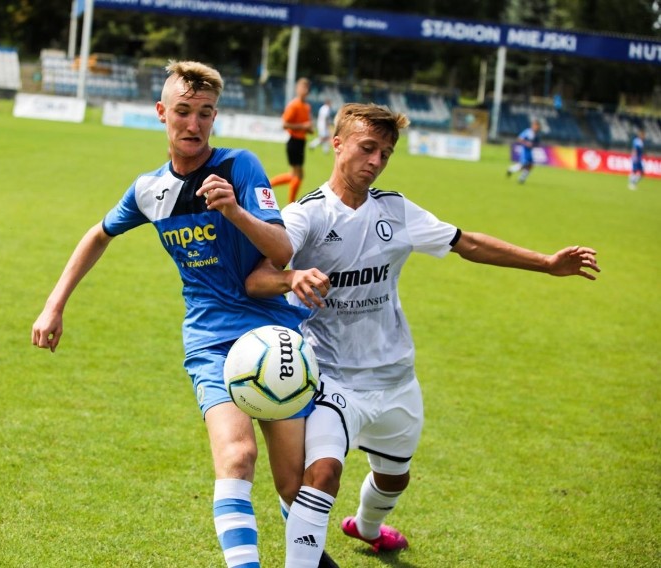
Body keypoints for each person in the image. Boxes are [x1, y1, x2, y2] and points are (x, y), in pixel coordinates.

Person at [245, 103, 601, 566]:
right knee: (323, 474)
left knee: (394, 478)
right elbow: (257, 279)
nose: (375, 161)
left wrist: (547, 264)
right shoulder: (306, 215)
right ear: (337, 144)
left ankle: (367, 527)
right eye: (367, 148)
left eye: (385, 153)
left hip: (396, 381)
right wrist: (292, 278)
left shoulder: (395, 209)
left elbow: (466, 243)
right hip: (333, 379)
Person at [31, 60, 338, 568]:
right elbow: (98, 235)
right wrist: (54, 305)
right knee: (237, 457)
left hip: (274, 337)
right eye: (183, 112)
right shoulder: (149, 190)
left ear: (215, 117)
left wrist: (235, 210)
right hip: (212, 342)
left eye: (205, 113)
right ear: (161, 113)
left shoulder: (239, 167)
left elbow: (282, 251)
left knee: (292, 486)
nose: (193, 124)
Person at [269, 77, 313, 204]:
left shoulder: (306, 106)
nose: (305, 90)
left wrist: (308, 129)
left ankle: (270, 184)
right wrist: (302, 126)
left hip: (301, 142)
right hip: (294, 141)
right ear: (297, 89)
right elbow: (285, 124)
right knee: (297, 175)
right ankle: (290, 202)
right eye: (302, 87)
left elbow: (306, 125)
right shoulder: (294, 105)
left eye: (307, 88)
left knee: (296, 175)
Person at [506, 118, 540, 184]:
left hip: (530, 151)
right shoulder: (528, 132)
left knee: (530, 165)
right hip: (525, 151)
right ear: (533, 125)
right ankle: (511, 169)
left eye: (538, 126)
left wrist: (534, 145)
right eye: (536, 126)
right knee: (523, 165)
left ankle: (521, 178)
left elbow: (536, 144)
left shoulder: (537, 134)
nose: (537, 127)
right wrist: (526, 143)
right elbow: (519, 139)